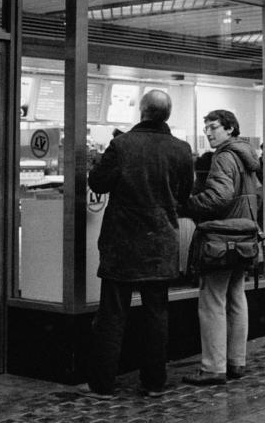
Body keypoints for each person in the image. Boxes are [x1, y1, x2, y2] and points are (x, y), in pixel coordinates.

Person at [83, 89, 193, 399]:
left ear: (141, 112)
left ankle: (103, 385)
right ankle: (154, 383)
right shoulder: (182, 150)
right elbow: (184, 195)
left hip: (122, 243)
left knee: (112, 315)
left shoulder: (122, 145)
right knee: (156, 314)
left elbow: (98, 183)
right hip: (161, 243)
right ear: (167, 115)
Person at [180, 109, 261, 386]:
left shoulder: (224, 157)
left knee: (212, 299)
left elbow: (220, 196)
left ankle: (213, 366)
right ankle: (236, 362)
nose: (209, 133)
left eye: (214, 127)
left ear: (230, 129)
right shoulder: (246, 157)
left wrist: (189, 204)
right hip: (244, 237)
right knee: (236, 296)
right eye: (207, 129)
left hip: (223, 238)